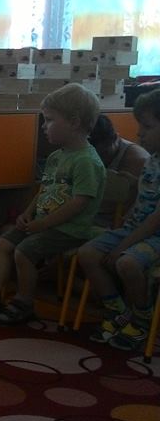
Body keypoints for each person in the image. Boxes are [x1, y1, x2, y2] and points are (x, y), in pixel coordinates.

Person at [0, 84, 105, 325]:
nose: (44, 126)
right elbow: (44, 190)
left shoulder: (86, 161)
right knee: (3, 243)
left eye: (50, 120)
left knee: (24, 252)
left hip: (69, 229)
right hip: (43, 224)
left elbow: (79, 203)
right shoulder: (56, 157)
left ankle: (23, 303)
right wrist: (27, 213)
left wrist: (42, 224)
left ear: (74, 122)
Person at [77, 91, 160, 351]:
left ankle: (141, 318)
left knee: (127, 263)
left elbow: (156, 219)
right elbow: (147, 193)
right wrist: (133, 186)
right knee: (87, 253)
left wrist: (124, 243)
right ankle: (118, 310)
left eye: (147, 127)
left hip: (155, 236)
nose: (139, 134)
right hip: (135, 229)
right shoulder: (154, 160)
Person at [89, 114, 149, 227]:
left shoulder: (137, 159)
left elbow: (128, 210)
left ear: (116, 138)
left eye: (103, 153)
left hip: (110, 223)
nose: (99, 159)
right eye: (92, 155)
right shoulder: (79, 150)